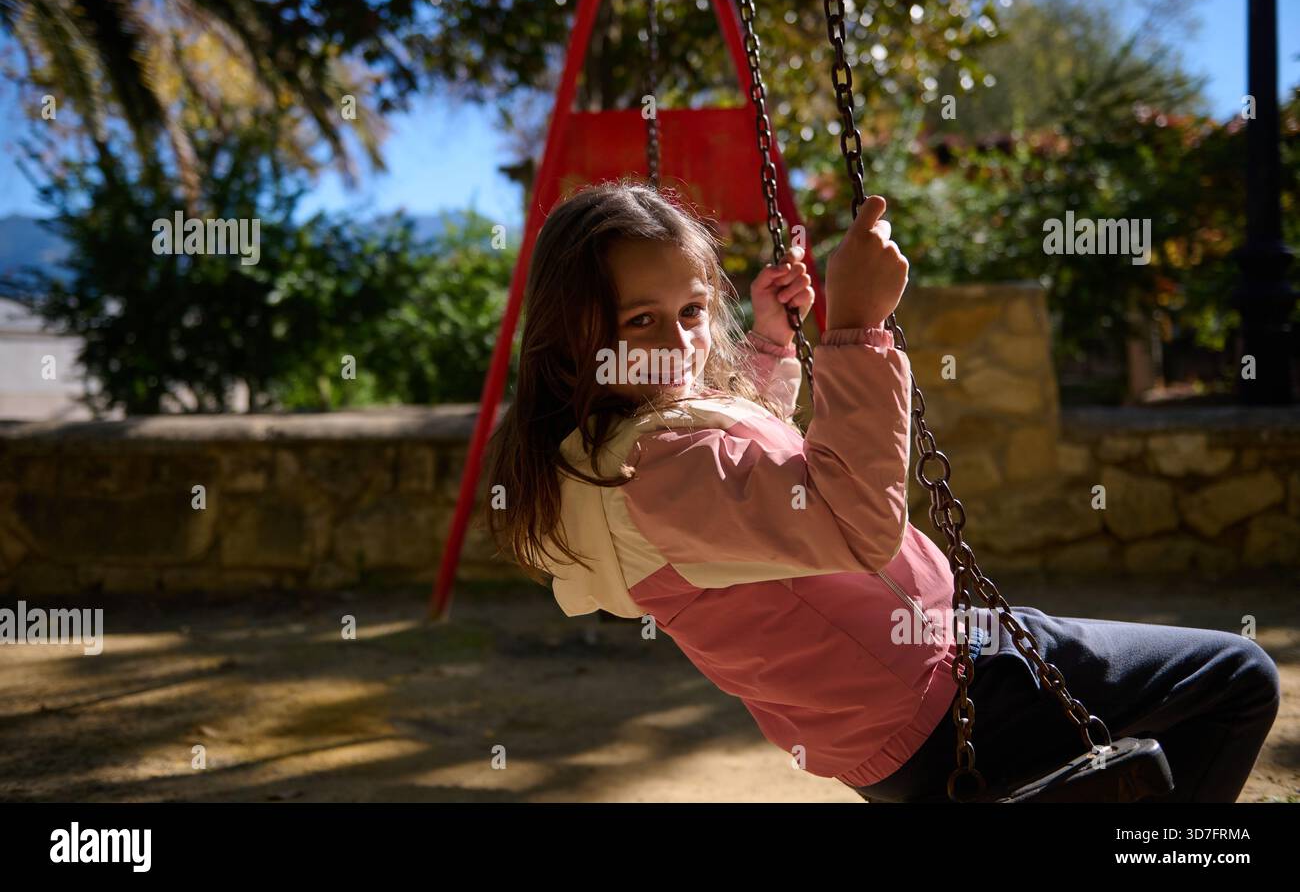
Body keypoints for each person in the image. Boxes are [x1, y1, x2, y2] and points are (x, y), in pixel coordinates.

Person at [483, 178, 1281, 801]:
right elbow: (849, 523)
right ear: (576, 336)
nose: (686, 342)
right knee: (1238, 679)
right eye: (642, 321)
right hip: (938, 693)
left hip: (897, 706)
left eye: (693, 309)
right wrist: (857, 327)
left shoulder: (624, 449)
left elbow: (746, 484)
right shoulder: (655, 472)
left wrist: (766, 340)